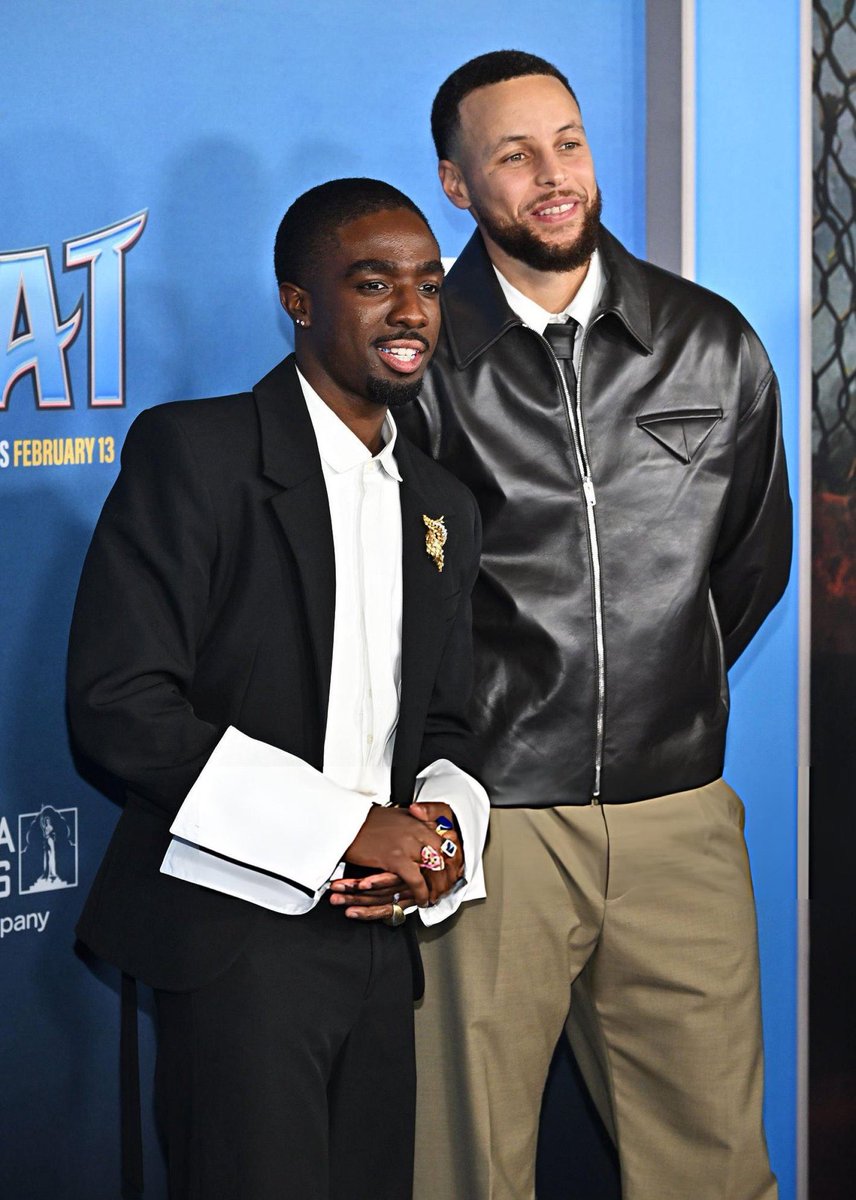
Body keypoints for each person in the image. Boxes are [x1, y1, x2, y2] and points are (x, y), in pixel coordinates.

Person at [397, 51, 791, 1200]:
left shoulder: (709, 342)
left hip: (678, 815)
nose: (552, 174)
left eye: (566, 141)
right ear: (458, 186)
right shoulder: (415, 362)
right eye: (512, 154)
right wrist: (460, 760)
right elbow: (387, 602)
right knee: (460, 1171)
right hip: (491, 820)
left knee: (715, 1167)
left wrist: (663, 693)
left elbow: (746, 566)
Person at [68, 177, 489, 1200]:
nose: (410, 311)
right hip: (235, 940)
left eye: (428, 284)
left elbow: (448, 720)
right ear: (298, 301)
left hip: (383, 947)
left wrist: (437, 828)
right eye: (372, 282)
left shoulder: (440, 502)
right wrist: (348, 824)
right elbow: (121, 704)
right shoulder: (198, 455)